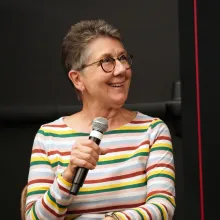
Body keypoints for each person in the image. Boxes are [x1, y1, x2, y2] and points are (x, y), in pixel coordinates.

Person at [25, 19, 176, 220]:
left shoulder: (152, 131)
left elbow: (163, 207)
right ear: (78, 79)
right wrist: (68, 176)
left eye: (122, 58)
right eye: (106, 61)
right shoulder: (49, 136)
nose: (121, 69)